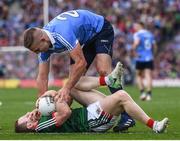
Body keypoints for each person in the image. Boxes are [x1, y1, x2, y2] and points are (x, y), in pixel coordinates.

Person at [23, 9, 135, 131]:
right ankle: (89, 113)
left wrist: (66, 88)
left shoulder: (62, 33)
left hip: (100, 29)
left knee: (103, 71)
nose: (37, 53)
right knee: (73, 82)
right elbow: (42, 76)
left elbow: (81, 63)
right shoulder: (43, 44)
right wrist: (40, 105)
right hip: (82, 39)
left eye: (37, 50)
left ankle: (127, 115)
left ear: (43, 40)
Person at [15, 62, 168, 133]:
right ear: (30, 125)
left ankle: (108, 80)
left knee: (71, 83)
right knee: (121, 96)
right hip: (93, 121)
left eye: (26, 114)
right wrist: (53, 98)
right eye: (26, 117)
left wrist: (41, 102)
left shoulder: (41, 114)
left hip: (90, 112)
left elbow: (59, 94)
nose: (29, 114)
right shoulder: (42, 126)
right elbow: (65, 111)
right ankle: (154, 125)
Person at [132, 22, 157, 101]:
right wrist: (153, 55)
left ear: (140, 26)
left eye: (135, 26)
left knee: (138, 75)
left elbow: (136, 43)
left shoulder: (137, 34)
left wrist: (133, 50)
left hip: (140, 58)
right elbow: (155, 46)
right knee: (148, 75)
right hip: (149, 57)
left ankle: (142, 93)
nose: (134, 27)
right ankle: (149, 94)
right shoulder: (150, 34)